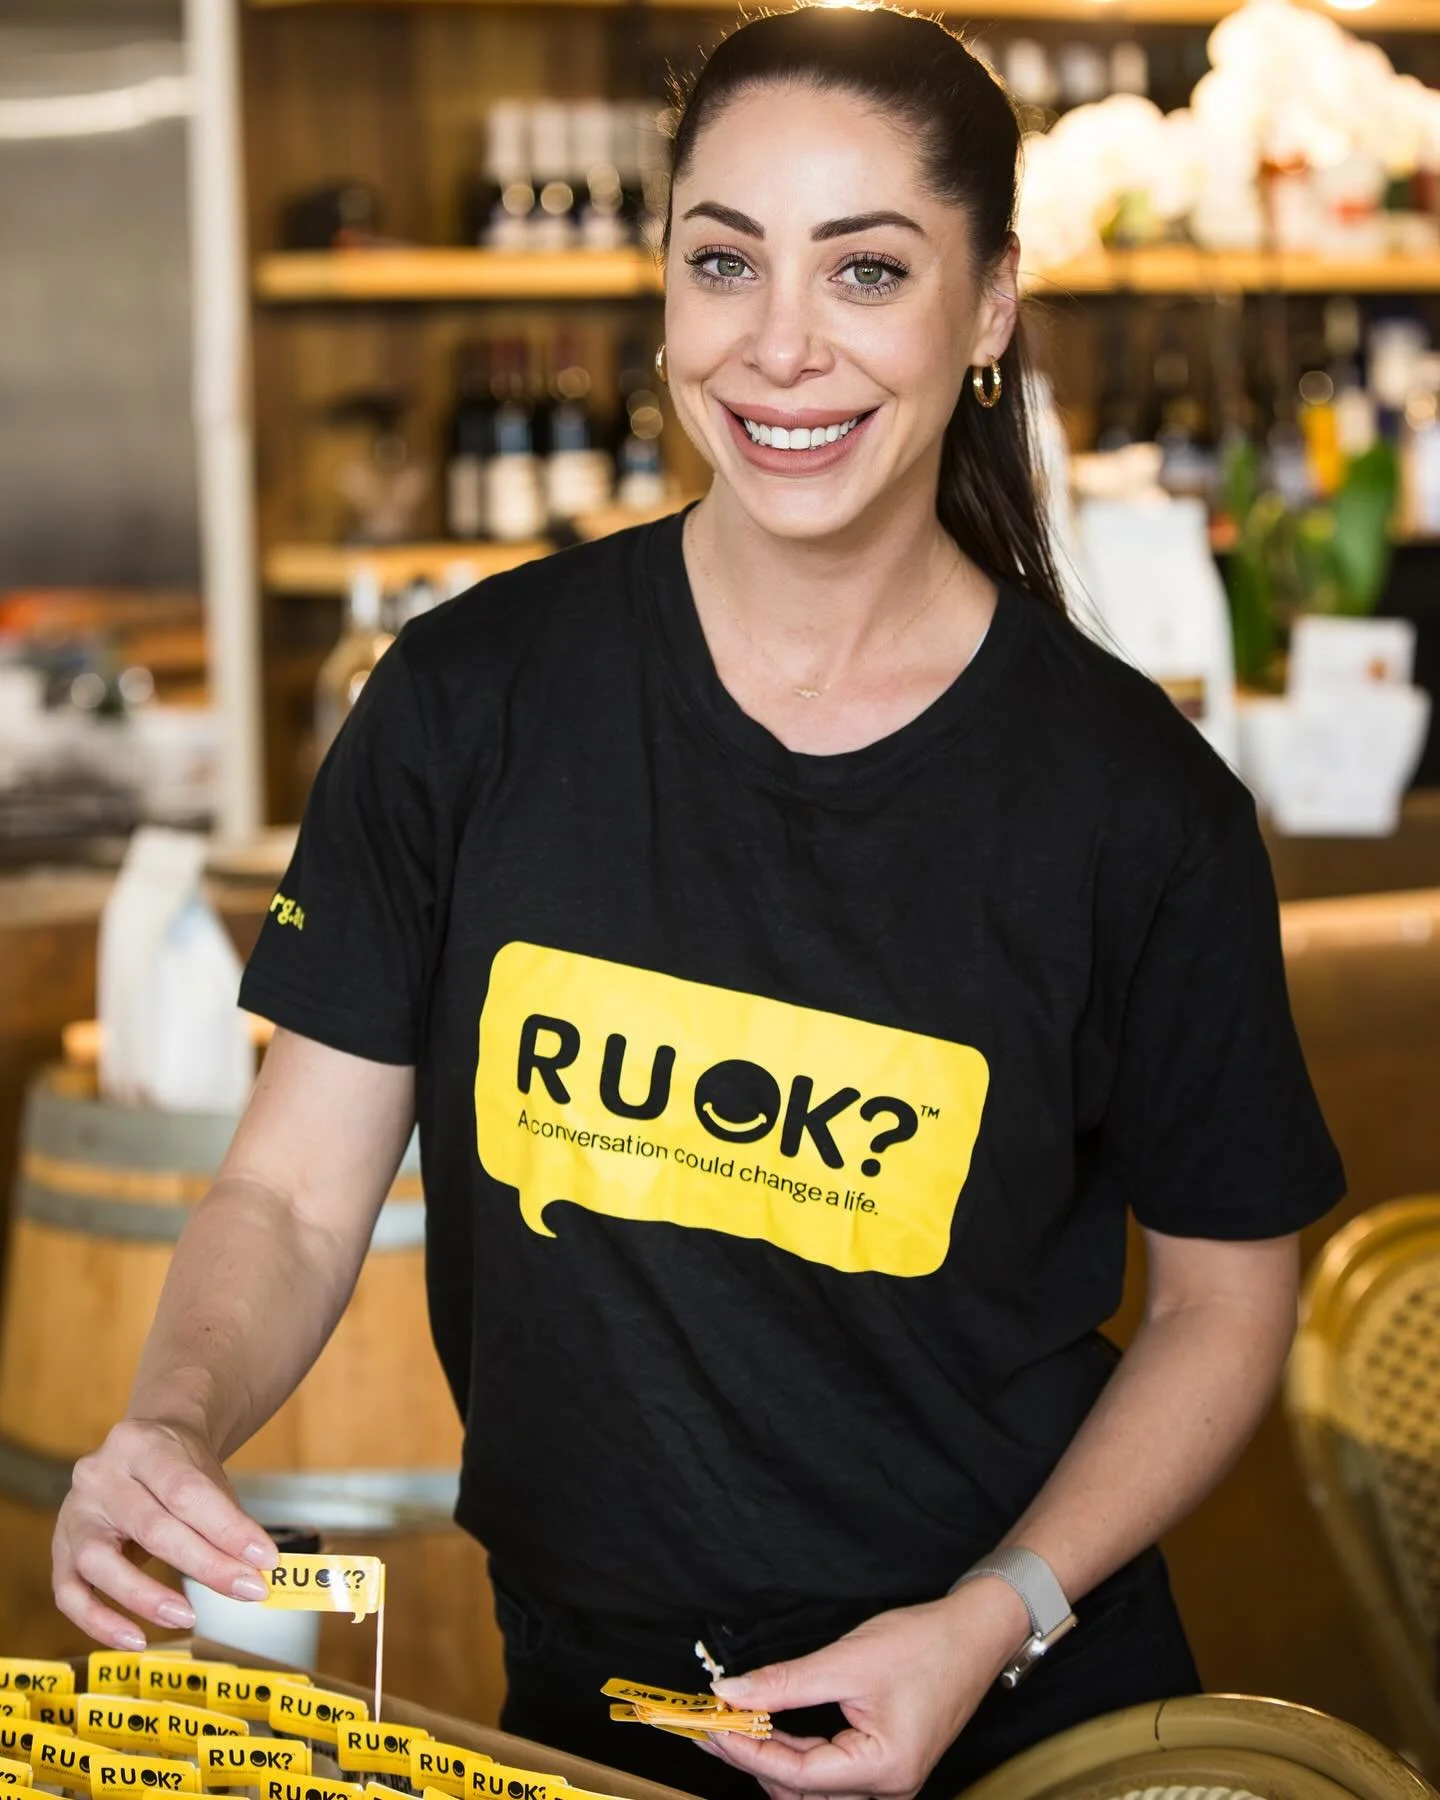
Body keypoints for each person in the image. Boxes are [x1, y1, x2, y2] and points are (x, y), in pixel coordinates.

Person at [53, 8, 1345, 1798]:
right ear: (662, 289)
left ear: (988, 311)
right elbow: (284, 1190)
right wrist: (170, 1421)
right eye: (724, 261)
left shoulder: (1134, 807)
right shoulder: (465, 705)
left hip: (1019, 1723)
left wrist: (994, 1616)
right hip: (596, 1723)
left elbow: (1226, 1301)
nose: (781, 348)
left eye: (869, 270)